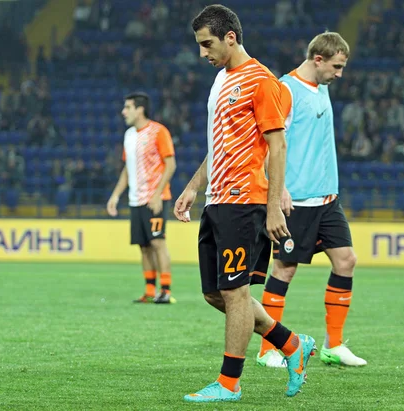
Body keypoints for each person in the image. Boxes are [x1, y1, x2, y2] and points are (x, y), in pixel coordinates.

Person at [173, 5, 316, 403]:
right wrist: (192, 187)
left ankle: (229, 383)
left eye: (207, 44)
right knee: (215, 294)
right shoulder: (220, 81)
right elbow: (218, 145)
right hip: (216, 201)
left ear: (230, 37)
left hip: (245, 202)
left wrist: (273, 206)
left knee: (235, 294)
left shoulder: (262, 81)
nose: (202, 53)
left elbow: (278, 144)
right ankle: (291, 345)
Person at [256, 32, 367, 368]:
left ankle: (334, 346)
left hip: (327, 198)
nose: (340, 73)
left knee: (346, 260)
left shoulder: (321, 87)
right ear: (318, 59)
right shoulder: (286, 89)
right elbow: (267, 143)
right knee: (285, 269)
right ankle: (268, 350)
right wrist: (280, 188)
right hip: (297, 200)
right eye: (336, 66)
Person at [107, 92, 177, 304]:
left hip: (154, 199)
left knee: (158, 243)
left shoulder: (158, 131)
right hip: (135, 199)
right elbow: (127, 170)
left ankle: (165, 291)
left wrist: (157, 195)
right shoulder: (129, 135)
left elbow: (171, 164)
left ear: (140, 109)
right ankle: (149, 291)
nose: (123, 112)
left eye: (127, 107)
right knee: (144, 247)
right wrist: (115, 195)